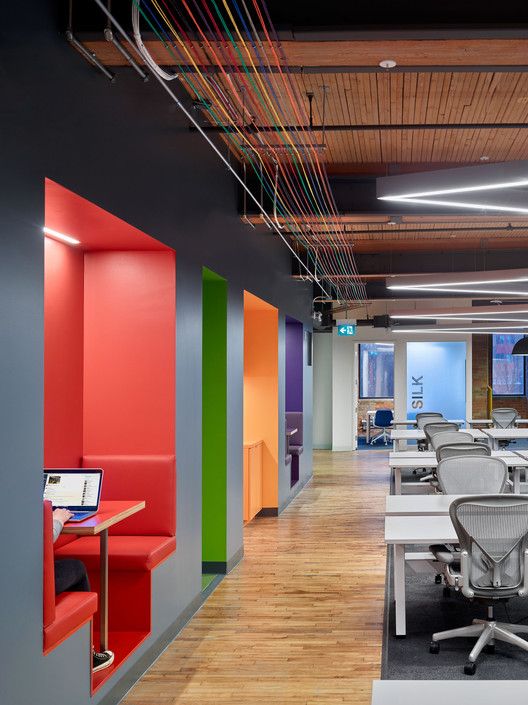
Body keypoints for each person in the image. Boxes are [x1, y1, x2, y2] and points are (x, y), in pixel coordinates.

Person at [53, 508, 114, 673]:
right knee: (77, 567)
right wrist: (57, 519)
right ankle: (87, 655)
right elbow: (44, 538)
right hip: (28, 585)